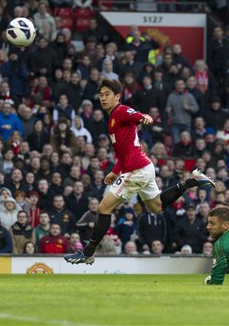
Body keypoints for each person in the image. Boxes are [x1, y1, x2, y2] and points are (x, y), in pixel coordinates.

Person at [65, 79, 216, 264]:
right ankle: (190, 181)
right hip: (143, 166)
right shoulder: (112, 118)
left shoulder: (120, 111)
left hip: (136, 169)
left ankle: (87, 253)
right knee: (156, 207)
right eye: (101, 95)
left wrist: (145, 117)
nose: (103, 98)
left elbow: (137, 115)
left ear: (117, 97)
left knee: (104, 208)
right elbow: (122, 153)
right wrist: (114, 172)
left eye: (107, 94)